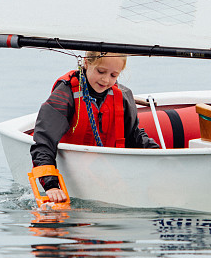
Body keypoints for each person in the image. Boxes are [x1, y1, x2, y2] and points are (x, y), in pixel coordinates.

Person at [30, 51, 159, 202]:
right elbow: (44, 142)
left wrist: (160, 158)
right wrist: (51, 185)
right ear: (86, 63)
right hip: (74, 176)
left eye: (113, 75)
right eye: (101, 71)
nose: (106, 80)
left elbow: (134, 136)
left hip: (111, 179)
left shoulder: (123, 96)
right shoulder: (65, 95)